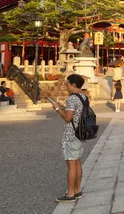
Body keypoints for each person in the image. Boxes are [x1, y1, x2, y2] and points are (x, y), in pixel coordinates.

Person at [50, 74, 87, 203]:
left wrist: (56, 109)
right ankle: (77, 190)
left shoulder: (72, 98)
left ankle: (70, 193)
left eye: (68, 84)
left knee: (71, 165)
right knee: (77, 163)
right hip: (81, 133)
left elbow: (67, 118)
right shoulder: (83, 97)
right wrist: (64, 107)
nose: (66, 87)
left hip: (71, 134)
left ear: (74, 85)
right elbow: (76, 113)